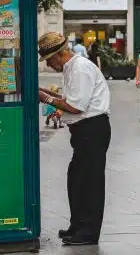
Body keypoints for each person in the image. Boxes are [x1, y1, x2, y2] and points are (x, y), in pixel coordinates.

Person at [37, 31, 111, 246]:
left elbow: (76, 107)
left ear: (59, 54)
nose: (49, 65)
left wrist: (46, 98)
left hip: (92, 129)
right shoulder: (71, 68)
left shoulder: (80, 69)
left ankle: (87, 233)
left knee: (90, 183)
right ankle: (77, 225)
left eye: (49, 60)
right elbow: (69, 99)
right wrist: (42, 91)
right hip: (83, 132)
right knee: (77, 179)